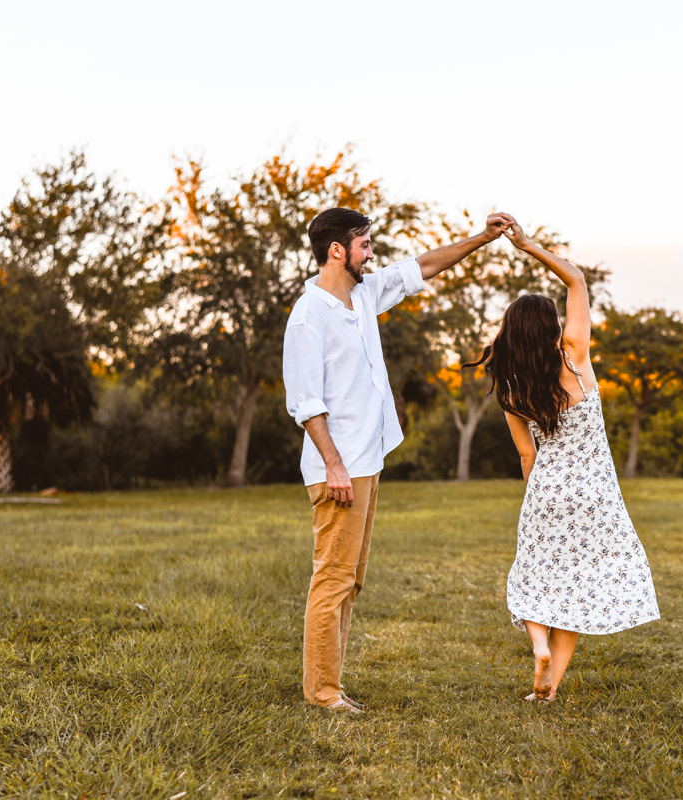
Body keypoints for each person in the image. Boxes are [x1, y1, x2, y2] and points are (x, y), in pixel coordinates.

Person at [283, 207, 511, 713]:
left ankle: (331, 685)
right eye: (364, 245)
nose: (372, 253)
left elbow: (423, 266)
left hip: (366, 462)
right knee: (333, 578)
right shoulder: (308, 315)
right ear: (338, 250)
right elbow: (305, 403)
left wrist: (483, 237)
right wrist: (335, 466)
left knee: (351, 579)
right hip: (338, 469)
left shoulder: (362, 294)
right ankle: (321, 693)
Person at [465, 219, 660, 702]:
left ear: (512, 333)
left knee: (533, 575)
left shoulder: (511, 390)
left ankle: (538, 647)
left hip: (547, 489)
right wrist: (527, 245)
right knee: (577, 587)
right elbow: (576, 278)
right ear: (552, 328)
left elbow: (527, 457)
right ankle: (549, 688)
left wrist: (534, 503)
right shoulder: (575, 355)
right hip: (595, 492)